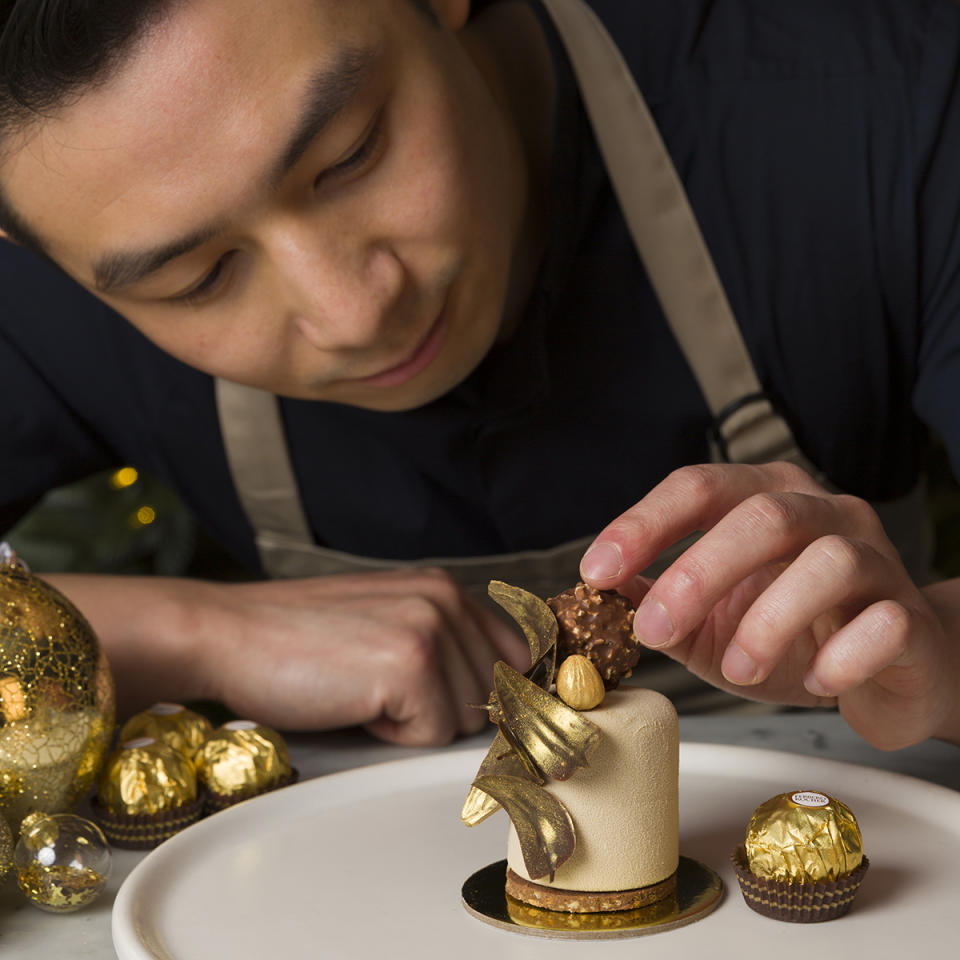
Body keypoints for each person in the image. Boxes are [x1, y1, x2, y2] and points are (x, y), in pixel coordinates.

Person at [0, 0, 958, 751]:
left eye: (351, 155)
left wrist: (942, 657)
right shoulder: (53, 269)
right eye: (198, 279)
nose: (353, 310)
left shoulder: (884, 100)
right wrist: (191, 633)